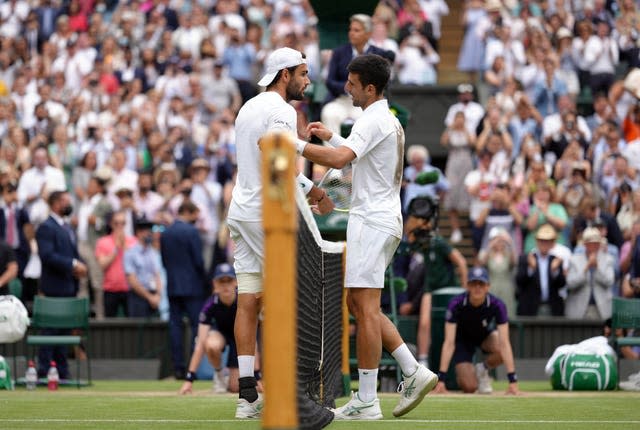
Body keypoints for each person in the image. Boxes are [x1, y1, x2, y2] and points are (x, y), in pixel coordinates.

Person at [302, 54, 438, 420]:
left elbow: (340, 160)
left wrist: (292, 146)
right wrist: (332, 138)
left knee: (363, 308)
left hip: (372, 222)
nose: (347, 88)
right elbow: (355, 160)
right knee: (362, 307)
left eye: (352, 83)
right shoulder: (383, 120)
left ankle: (367, 399)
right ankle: (411, 369)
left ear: (371, 88)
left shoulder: (372, 119)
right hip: (381, 219)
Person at [227, 47, 332, 419]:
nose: (308, 80)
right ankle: (291, 396)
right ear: (284, 74)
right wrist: (315, 190)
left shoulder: (248, 107)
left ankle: (247, 397)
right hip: (264, 215)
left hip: (240, 211)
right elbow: (278, 163)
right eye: (303, 73)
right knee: (293, 301)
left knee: (250, 300)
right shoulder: (283, 110)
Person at [432, 267, 520, 395]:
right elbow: (449, 343)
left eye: (481, 284)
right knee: (469, 387)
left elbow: (505, 343)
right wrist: (441, 380)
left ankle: (482, 369)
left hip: (485, 336)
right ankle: (467, 374)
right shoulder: (455, 304)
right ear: (467, 286)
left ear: (488, 286)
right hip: (462, 341)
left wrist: (513, 381)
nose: (477, 287)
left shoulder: (498, 305)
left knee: (502, 346)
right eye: (473, 284)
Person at [35, 190, 87, 379]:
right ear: (56, 204)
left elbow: (73, 254)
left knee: (65, 332)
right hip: (53, 289)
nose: (69, 204)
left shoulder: (68, 227)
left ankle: (62, 371)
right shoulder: (46, 228)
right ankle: (44, 371)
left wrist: (82, 265)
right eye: (66, 201)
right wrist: (73, 264)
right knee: (50, 332)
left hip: (69, 288)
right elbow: (47, 256)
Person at [321, 14, 395, 135]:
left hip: (367, 102)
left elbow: (385, 84)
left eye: (356, 30)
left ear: (368, 34)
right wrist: (347, 87)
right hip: (341, 100)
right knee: (329, 113)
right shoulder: (339, 52)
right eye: (350, 29)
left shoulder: (379, 54)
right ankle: (332, 153)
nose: (351, 33)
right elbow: (330, 81)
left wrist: (360, 90)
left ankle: (356, 153)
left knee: (368, 119)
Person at [160, 201, 206, 381]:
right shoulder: (192, 232)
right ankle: (193, 368)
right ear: (187, 212)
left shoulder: (166, 233)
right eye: (195, 215)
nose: (196, 219)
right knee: (197, 327)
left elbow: (164, 261)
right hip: (193, 286)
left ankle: (178, 368)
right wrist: (205, 281)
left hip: (173, 286)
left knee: (175, 327)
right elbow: (199, 262)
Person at [179, 263, 240, 395]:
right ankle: (219, 375)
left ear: (235, 282)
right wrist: (189, 379)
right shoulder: (210, 305)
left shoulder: (244, 301)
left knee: (235, 388)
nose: (225, 285)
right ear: (215, 284)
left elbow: (255, 339)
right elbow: (200, 344)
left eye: (229, 280)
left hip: (240, 338)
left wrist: (257, 375)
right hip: (220, 334)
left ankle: (234, 378)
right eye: (221, 281)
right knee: (211, 344)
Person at [515, 224, 566, 317]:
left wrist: (555, 271)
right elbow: (519, 282)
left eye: (548, 241)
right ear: (537, 241)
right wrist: (531, 268)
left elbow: (562, 284)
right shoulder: (526, 258)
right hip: (530, 309)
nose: (544, 244)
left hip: (552, 308)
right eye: (542, 240)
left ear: (552, 243)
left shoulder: (556, 260)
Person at [565, 227, 615, 320]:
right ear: (585, 244)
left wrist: (597, 268)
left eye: (596, 244)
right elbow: (570, 284)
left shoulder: (608, 259)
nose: (593, 247)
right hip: (579, 310)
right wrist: (586, 268)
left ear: (600, 244)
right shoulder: (574, 259)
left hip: (601, 309)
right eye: (590, 244)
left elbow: (609, 281)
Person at [95, 210, 137, 317]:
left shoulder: (133, 241)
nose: (120, 226)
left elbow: (136, 264)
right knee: (109, 323)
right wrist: (116, 249)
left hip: (130, 289)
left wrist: (124, 246)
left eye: (123, 223)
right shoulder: (102, 241)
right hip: (110, 289)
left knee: (131, 322)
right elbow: (102, 265)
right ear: (111, 224)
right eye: (116, 223)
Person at [124, 218, 163, 318]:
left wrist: (158, 295)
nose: (148, 233)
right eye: (145, 231)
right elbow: (132, 280)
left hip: (153, 296)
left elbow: (157, 275)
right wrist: (149, 297)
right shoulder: (130, 254)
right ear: (138, 233)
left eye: (150, 230)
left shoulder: (153, 253)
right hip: (138, 297)